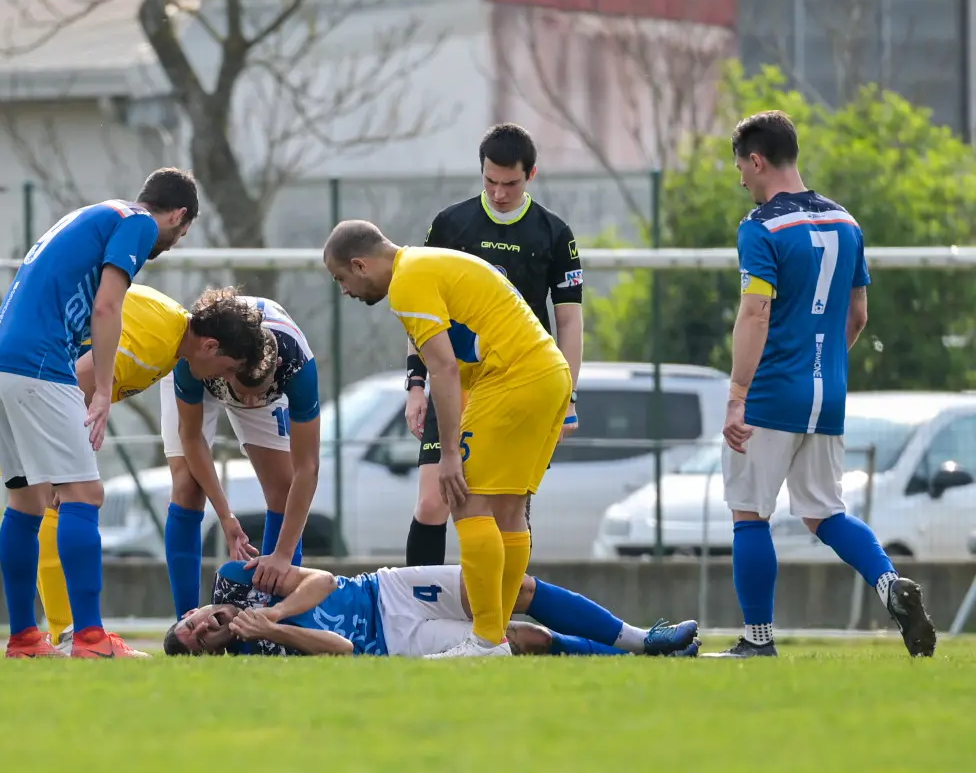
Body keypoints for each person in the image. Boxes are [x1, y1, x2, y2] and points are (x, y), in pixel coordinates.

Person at [705, 111, 936, 659]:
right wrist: (821, 368)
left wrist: (738, 395)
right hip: (827, 393)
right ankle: (888, 584)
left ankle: (758, 642)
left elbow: (755, 313)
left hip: (769, 394)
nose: (741, 178)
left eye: (741, 166)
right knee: (825, 513)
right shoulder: (847, 223)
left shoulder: (760, 227)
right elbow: (857, 315)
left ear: (756, 161)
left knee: (749, 513)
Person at [0, 168, 202, 659]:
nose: (175, 243)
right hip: (38, 364)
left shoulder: (95, 213)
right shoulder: (139, 223)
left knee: (26, 501)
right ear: (179, 216)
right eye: (182, 234)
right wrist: (101, 390)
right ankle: (92, 639)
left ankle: (24, 638)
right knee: (84, 493)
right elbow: (107, 308)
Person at [323, 221, 571, 658]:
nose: (345, 290)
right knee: (510, 509)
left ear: (361, 264)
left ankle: (485, 639)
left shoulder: (407, 282)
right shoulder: (430, 263)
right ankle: (493, 637)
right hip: (550, 373)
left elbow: (444, 370)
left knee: (464, 497)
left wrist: (451, 451)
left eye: (342, 278)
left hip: (513, 377)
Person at [22, 284, 273, 653]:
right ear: (210, 347)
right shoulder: (158, 344)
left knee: (37, 506)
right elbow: (76, 380)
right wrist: (61, 460)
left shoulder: (170, 335)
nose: (224, 378)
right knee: (69, 499)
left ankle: (44, 636)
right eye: (229, 367)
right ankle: (73, 637)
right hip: (32, 379)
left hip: (21, 370)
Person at [404, 123, 584, 567]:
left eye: (510, 183)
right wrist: (414, 384)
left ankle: (494, 623)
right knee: (432, 502)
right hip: (455, 380)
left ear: (532, 175)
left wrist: (569, 397)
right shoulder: (450, 224)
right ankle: (415, 619)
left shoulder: (555, 234)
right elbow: (420, 311)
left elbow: (569, 321)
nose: (499, 193)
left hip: (516, 386)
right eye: (490, 181)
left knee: (508, 511)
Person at [163, 559, 700, 658]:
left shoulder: (236, 583)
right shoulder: (255, 659)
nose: (206, 626)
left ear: (194, 610)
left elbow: (322, 579)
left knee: (514, 587)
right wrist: (278, 637)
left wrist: (276, 616)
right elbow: (345, 649)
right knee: (519, 641)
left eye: (193, 621)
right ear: (211, 651)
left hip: (386, 591)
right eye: (201, 639)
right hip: (396, 643)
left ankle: (638, 638)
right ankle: (643, 657)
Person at [159, 296, 321, 618]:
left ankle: (274, 621)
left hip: (246, 371)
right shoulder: (195, 354)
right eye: (242, 392)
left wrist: (283, 555)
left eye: (258, 394)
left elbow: (308, 467)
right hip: (207, 372)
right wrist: (226, 517)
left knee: (283, 489)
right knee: (188, 487)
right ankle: (186, 625)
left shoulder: (298, 368)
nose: (247, 403)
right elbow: (191, 438)